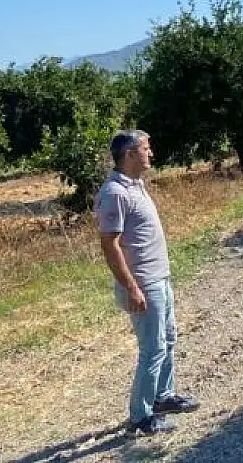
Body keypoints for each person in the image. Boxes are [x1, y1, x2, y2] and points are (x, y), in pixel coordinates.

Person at [94, 129, 200, 436]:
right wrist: (131, 287)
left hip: (159, 278)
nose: (150, 153)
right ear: (129, 155)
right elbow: (109, 246)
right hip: (143, 284)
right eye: (145, 148)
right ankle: (140, 417)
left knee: (167, 339)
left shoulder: (136, 185)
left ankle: (163, 396)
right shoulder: (114, 192)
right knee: (152, 349)